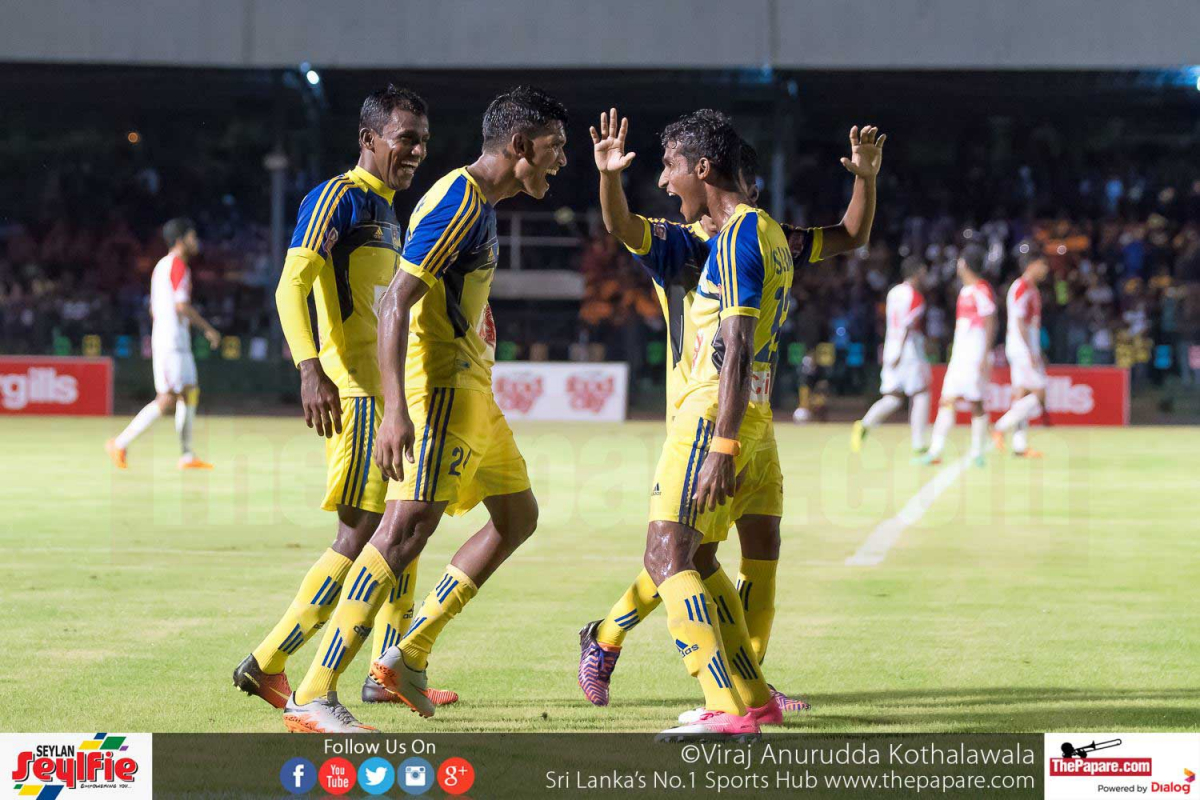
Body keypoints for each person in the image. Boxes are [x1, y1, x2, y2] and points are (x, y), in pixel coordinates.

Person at [578, 110, 884, 721]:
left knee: (717, 552)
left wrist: (866, 180)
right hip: (707, 411)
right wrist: (609, 177)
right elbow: (623, 226)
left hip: (740, 414)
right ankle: (636, 649)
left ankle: (744, 693)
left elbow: (849, 235)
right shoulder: (686, 243)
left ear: (704, 169)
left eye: (668, 168)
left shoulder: (754, 234)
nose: (662, 182)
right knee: (685, 554)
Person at [282, 86, 568, 733]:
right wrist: (396, 411)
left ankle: (406, 657)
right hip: (441, 393)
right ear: (520, 145)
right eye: (555, 148)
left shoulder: (477, 205)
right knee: (401, 534)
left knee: (517, 517)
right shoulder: (459, 202)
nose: (560, 161)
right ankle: (315, 693)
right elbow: (395, 302)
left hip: (474, 394)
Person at [232, 85, 458, 713]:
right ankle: (268, 661)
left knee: (404, 527)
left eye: (423, 140)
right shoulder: (338, 197)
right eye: (405, 138)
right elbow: (290, 285)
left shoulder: (390, 211)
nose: (416, 150)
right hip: (356, 395)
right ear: (369, 138)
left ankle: (386, 668)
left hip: (391, 399)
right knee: (359, 535)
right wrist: (310, 369)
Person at [106, 218, 220, 470]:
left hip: (174, 339)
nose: (196, 241)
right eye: (192, 237)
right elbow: (181, 305)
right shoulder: (177, 265)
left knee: (189, 392)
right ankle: (120, 443)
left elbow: (155, 307)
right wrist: (208, 329)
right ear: (180, 240)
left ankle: (187, 455)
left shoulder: (161, 266)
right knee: (167, 399)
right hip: (171, 342)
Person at [917, 245, 996, 467]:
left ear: (965, 264)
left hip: (974, 355)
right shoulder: (965, 292)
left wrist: (985, 354)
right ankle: (935, 450)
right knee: (947, 400)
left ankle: (977, 452)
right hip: (960, 356)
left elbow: (990, 320)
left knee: (976, 402)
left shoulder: (982, 290)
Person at [851, 257, 931, 454]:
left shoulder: (893, 292)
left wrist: (893, 352)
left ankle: (864, 424)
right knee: (921, 393)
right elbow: (907, 326)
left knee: (893, 398)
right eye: (923, 272)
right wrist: (900, 352)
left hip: (890, 347)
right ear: (916, 273)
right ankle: (919, 443)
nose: (925, 277)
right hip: (908, 351)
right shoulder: (916, 297)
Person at [992, 252, 1049, 456]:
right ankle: (1000, 426)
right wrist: (1030, 350)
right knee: (1039, 392)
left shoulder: (1030, 288)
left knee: (1022, 394)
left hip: (1023, 347)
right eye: (1042, 264)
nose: (1045, 269)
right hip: (1022, 348)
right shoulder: (1022, 287)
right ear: (1031, 264)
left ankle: (1019, 446)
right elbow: (1019, 320)